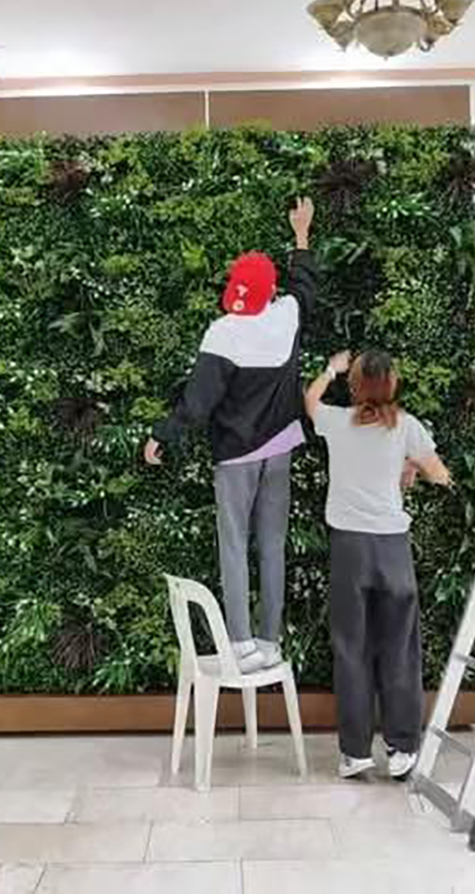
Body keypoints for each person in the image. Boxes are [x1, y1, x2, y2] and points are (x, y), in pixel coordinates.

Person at [144, 198, 318, 674]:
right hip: (281, 450)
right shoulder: (286, 316)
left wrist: (163, 435)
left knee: (235, 545)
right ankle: (270, 640)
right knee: (273, 545)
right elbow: (305, 286)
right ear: (271, 290)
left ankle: (240, 644)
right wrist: (301, 235)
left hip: (237, 456)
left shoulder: (221, 332)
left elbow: (198, 403)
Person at [305, 348, 451, 780]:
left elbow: (309, 401)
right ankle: (402, 748)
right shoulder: (407, 426)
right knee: (399, 651)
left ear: (355, 386)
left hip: (349, 549)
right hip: (392, 549)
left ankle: (356, 753)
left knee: (351, 650)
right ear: (392, 385)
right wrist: (411, 466)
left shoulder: (336, 422)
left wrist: (330, 369)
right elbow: (441, 475)